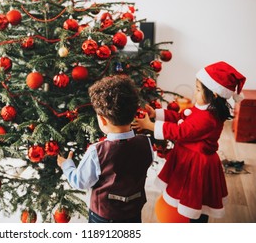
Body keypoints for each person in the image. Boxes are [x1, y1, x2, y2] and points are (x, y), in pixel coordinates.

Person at [132, 61, 246, 223]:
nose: (195, 92)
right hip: (189, 156)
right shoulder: (204, 109)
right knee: (185, 192)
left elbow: (181, 131)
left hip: (198, 163)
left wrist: (150, 126)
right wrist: (156, 114)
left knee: (195, 196)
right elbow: (181, 118)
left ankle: (195, 223)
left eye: (198, 90)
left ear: (214, 94)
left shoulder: (208, 118)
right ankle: (186, 215)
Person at [57, 74, 153, 223]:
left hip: (103, 216)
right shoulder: (146, 143)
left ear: (102, 119)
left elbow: (80, 182)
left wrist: (67, 165)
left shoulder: (97, 151)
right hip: (133, 212)